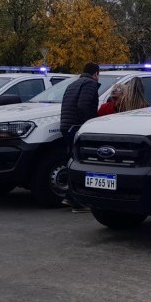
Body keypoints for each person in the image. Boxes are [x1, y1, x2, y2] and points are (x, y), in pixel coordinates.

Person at [60, 62, 100, 212]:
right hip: (77, 128)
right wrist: (90, 124)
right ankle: (76, 200)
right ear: (96, 74)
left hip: (67, 127)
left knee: (73, 161)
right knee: (83, 163)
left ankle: (70, 196)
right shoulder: (90, 84)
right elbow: (83, 106)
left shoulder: (74, 84)